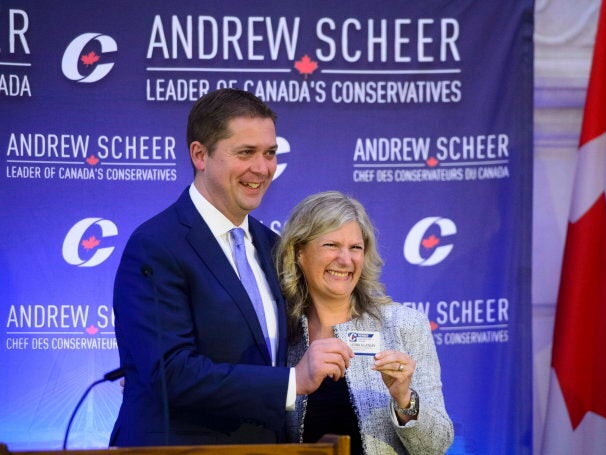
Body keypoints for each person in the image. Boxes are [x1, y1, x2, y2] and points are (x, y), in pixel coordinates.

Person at [109, 89, 352, 447]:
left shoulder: (271, 246)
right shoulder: (156, 246)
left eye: (270, 153)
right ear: (200, 155)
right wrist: (292, 381)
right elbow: (169, 373)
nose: (263, 168)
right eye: (245, 153)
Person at [275, 191, 454, 455]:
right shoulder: (278, 333)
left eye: (355, 248)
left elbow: (435, 446)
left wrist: (404, 399)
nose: (345, 260)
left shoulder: (404, 325)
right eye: (331, 245)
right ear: (299, 252)